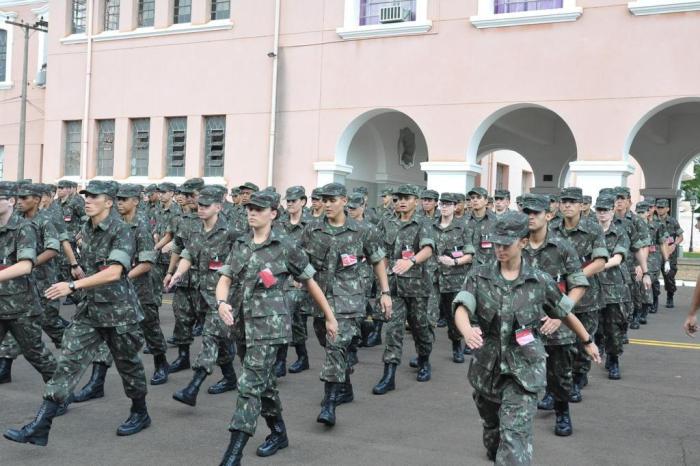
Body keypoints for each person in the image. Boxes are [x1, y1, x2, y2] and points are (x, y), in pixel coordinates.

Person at [5, 180, 151, 447]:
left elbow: (115, 272)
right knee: (67, 365)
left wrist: (72, 285)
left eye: (94, 197)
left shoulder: (122, 230)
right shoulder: (87, 227)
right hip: (90, 311)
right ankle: (41, 425)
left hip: (120, 313)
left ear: (109, 201)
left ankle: (140, 412)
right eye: (86, 195)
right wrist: (76, 272)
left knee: (129, 367)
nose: (87, 200)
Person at [453, 211, 601, 465]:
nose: (499, 249)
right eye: (496, 243)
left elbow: (564, 312)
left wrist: (587, 341)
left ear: (522, 241)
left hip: (525, 368)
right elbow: (462, 307)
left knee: (515, 437)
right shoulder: (479, 276)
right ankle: (494, 442)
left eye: (506, 244)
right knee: (493, 426)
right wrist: (467, 330)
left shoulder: (539, 281)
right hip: (487, 367)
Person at [215, 191, 338, 465]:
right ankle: (278, 432)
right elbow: (225, 276)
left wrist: (329, 316)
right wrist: (221, 302)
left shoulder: (285, 245)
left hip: (270, 329)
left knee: (248, 386)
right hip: (243, 325)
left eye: (258, 209)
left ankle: (233, 454)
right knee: (264, 384)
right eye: (249, 208)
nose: (251, 213)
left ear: (273, 213)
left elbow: (310, 281)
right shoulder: (241, 244)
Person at [301, 183, 391, 425]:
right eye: (323, 200)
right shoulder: (312, 229)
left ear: (344, 201)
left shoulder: (363, 230)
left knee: (335, 345)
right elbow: (301, 259)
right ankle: (346, 386)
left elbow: (378, 260)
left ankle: (329, 404)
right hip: (320, 298)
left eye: (332, 200)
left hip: (349, 299)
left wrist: (385, 292)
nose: (327, 204)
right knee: (327, 341)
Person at [521, 193, 588, 437]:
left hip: (556, 323)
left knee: (560, 374)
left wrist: (561, 314)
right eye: (526, 212)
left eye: (535, 213)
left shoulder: (562, 247)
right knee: (519, 373)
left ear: (548, 216)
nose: (530, 217)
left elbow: (578, 283)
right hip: (523, 322)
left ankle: (562, 413)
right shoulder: (516, 245)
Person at [169, 186, 240, 407]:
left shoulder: (231, 232)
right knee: (221, 341)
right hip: (200, 296)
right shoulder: (196, 230)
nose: (201, 209)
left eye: (206, 206)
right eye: (199, 205)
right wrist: (178, 274)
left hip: (223, 299)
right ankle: (229, 378)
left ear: (218, 207)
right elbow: (188, 254)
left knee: (210, 338)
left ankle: (193, 387)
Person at [373, 184, 433, 394]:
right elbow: (379, 252)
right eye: (398, 199)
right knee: (393, 330)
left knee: (420, 327)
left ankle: (424, 359)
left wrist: (412, 261)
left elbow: (428, 249)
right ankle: (389, 374)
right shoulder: (386, 222)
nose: (401, 202)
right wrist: (383, 288)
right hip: (394, 285)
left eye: (406, 198)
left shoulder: (423, 222)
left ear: (416, 201)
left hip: (417, 286)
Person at [549, 187, 608, 402]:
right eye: (563, 201)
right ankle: (553, 388)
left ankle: (577, 379)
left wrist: (574, 276)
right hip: (558, 295)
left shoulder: (592, 229)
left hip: (586, 297)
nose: (567, 205)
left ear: (581, 205)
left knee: (582, 343)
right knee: (558, 344)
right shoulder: (552, 228)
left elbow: (600, 262)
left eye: (572, 202)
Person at [0, 181, 57, 388]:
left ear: (11, 202)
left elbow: (25, 266)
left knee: (35, 353)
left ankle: (59, 392)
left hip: (20, 305)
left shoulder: (24, 228)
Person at [430, 192, 474, 362]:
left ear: (456, 207)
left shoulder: (463, 227)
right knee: (427, 316)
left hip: (453, 278)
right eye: (443, 204)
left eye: (449, 204)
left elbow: (470, 254)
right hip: (432, 278)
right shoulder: (430, 226)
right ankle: (423, 353)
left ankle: (457, 345)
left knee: (453, 316)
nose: (445, 207)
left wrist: (454, 262)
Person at [595, 194, 631, 380]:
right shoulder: (590, 231)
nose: (602, 213)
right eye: (599, 210)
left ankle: (614, 359)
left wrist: (592, 267)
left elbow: (617, 258)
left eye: (606, 210)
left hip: (613, 287)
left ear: (612, 211)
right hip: (591, 286)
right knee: (594, 326)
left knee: (613, 327)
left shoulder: (619, 232)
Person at [278, 186, 313, 374]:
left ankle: (280, 361)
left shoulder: (312, 224)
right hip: (281, 277)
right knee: (295, 319)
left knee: (286, 315)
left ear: (303, 201)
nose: (290, 204)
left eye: (294, 200)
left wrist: (303, 276)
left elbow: (315, 253)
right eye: (288, 200)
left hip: (301, 279)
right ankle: (302, 356)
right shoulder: (280, 223)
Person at [656, 199, 683, 308]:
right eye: (658, 207)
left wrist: (674, 244)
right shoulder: (653, 221)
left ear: (667, 208)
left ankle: (670, 296)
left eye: (662, 207)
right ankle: (654, 300)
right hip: (656, 254)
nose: (660, 209)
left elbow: (680, 236)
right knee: (653, 278)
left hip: (670, 254)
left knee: (669, 276)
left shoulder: (673, 221)